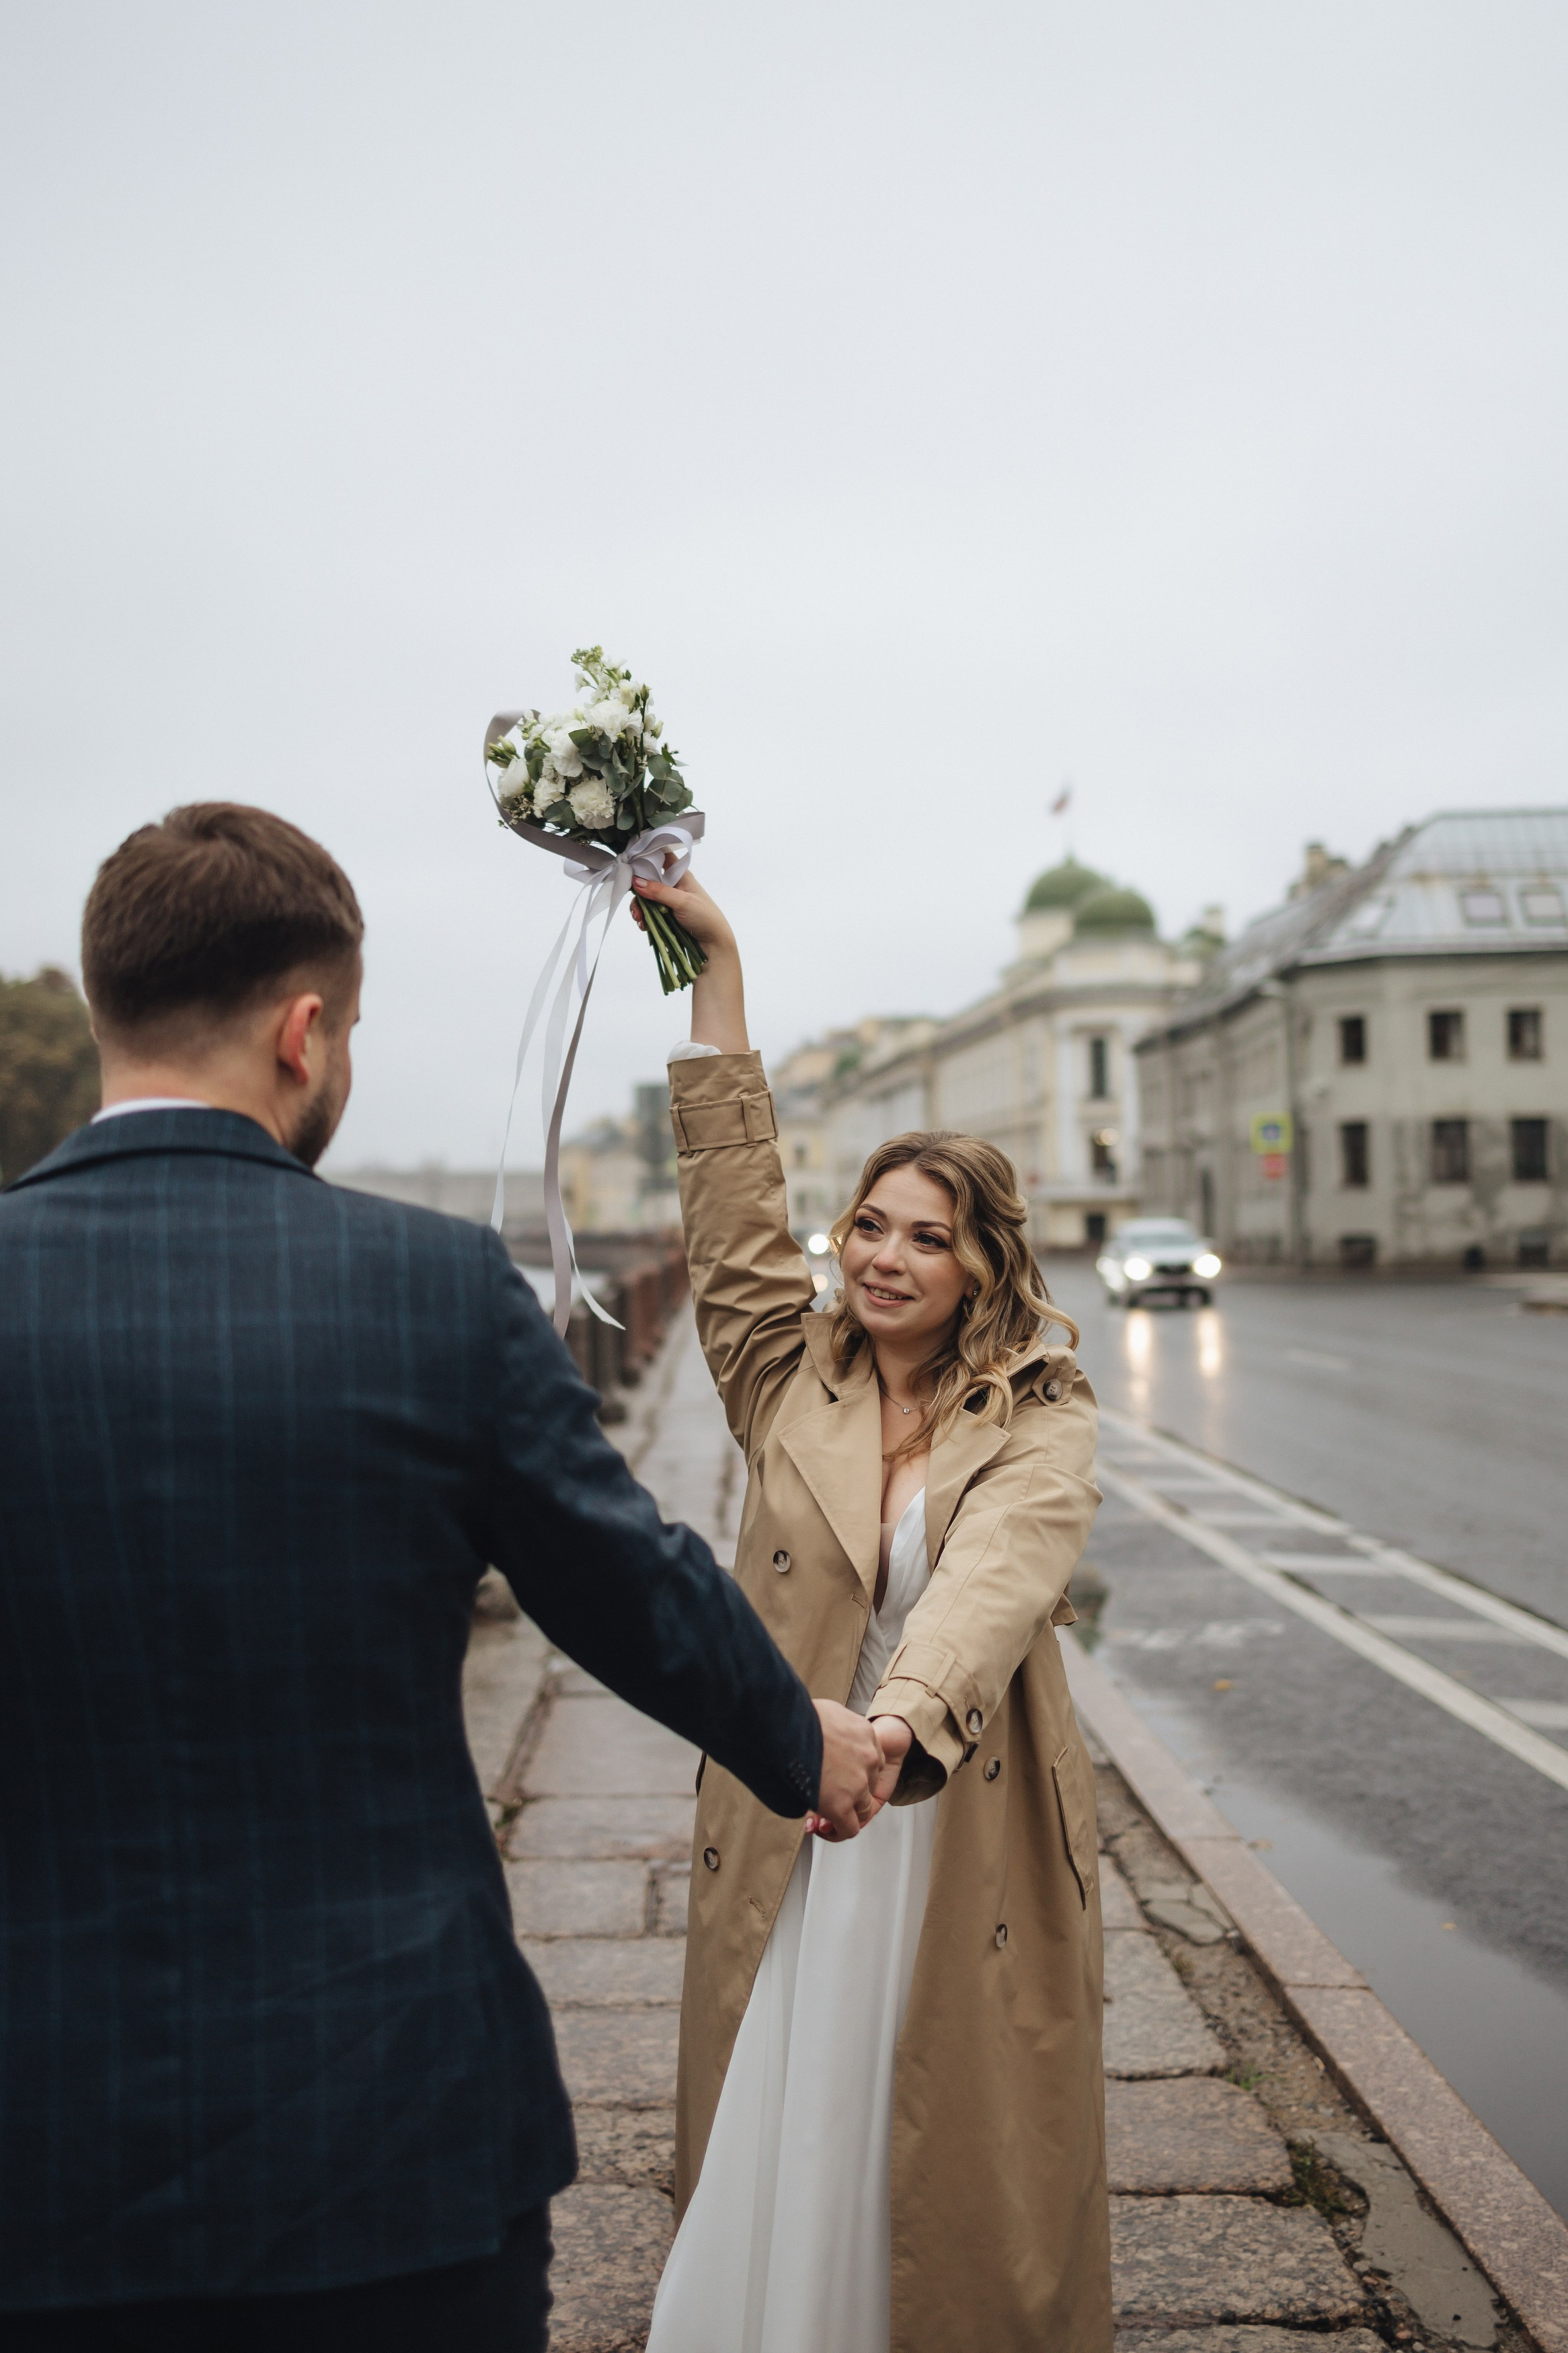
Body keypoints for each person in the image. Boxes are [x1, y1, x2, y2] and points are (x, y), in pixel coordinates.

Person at [0, 802, 886, 2353]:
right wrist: (805, 1741)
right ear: (304, 1032)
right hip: (383, 2139)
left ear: (103, 1011)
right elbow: (629, 1584)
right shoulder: (427, 1293)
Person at [633, 867, 1111, 2353]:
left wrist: (889, 1738)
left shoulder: (1040, 1411)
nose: (885, 1256)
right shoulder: (788, 1370)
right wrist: (717, 968)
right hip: (793, 1809)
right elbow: (728, 1207)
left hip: (932, 1816)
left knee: (932, 2132)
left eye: (927, 1236)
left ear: (982, 1262)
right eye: (870, 1225)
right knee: (786, 2083)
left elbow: (993, 1586)